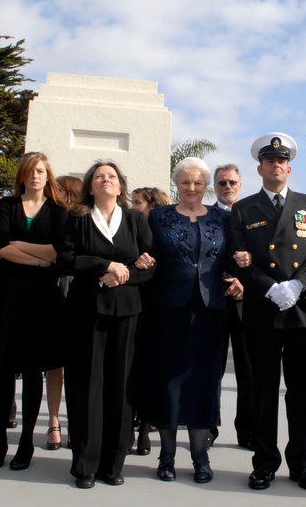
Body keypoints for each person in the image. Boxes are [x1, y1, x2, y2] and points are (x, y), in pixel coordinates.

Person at [229, 132, 306, 492]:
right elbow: (237, 258)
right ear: (259, 168)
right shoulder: (243, 209)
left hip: (303, 311)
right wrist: (270, 287)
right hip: (263, 311)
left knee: (302, 392)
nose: (276, 165)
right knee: (263, 391)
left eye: (282, 160)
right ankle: (264, 463)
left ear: (289, 167)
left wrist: (297, 284)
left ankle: (302, 463)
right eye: (269, 160)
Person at [140, 157, 238, 484]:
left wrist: (240, 277)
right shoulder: (158, 217)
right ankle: (166, 456)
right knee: (168, 381)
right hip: (167, 309)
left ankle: (200, 456)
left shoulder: (223, 219)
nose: (192, 188)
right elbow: (146, 254)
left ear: (206, 185)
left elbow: (235, 258)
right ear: (176, 185)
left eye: (198, 183)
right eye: (185, 182)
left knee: (203, 383)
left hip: (210, 311)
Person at [59, 160, 154, 489]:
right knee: (86, 386)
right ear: (90, 186)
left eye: (111, 176)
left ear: (120, 184)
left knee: (121, 387)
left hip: (127, 311)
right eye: (99, 177)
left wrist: (124, 276)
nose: (105, 180)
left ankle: (113, 464)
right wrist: (105, 267)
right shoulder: (78, 220)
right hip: (86, 311)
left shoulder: (135, 219)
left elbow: (151, 262)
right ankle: (85, 466)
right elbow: (66, 258)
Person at [0, 153, 67, 472]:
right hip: (5, 296)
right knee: (2, 371)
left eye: (41, 171)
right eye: (31, 172)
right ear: (23, 177)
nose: (36, 177)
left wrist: (23, 247)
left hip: (42, 299)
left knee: (33, 371)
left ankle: (26, 441)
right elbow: (0, 247)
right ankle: (0, 440)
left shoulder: (57, 211)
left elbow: (58, 252)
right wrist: (39, 258)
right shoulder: (6, 205)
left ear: (47, 175)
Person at [210, 163, 253, 450]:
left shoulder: (252, 215)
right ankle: (207, 427)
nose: (228, 187)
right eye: (222, 183)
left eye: (232, 182)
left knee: (248, 371)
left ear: (240, 184)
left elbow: (263, 256)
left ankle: (247, 431)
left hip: (246, 304)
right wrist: (228, 280)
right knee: (211, 370)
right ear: (215, 186)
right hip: (212, 303)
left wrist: (245, 284)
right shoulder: (205, 216)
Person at [43, 174, 83, 452]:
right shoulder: (51, 217)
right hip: (53, 293)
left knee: (79, 367)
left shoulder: (83, 220)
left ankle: (76, 425)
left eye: (58, 188)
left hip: (80, 295)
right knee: (54, 364)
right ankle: (54, 422)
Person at [128, 185, 168, 455]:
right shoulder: (129, 227)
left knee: (151, 368)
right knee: (132, 366)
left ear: (152, 205)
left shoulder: (163, 231)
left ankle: (145, 428)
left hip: (157, 305)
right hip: (134, 302)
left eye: (138, 202)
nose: (133, 207)